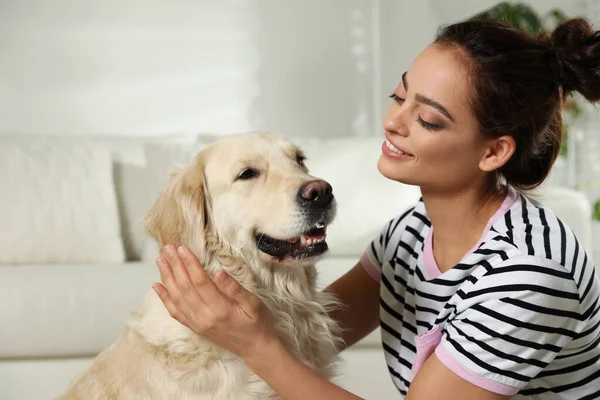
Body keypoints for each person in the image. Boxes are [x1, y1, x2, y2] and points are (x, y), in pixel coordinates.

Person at [151, 17, 600, 399]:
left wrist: (253, 344)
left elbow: (279, 351)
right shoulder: (414, 230)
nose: (392, 122)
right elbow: (320, 332)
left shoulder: (528, 274)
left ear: (493, 152)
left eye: (427, 119)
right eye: (399, 96)